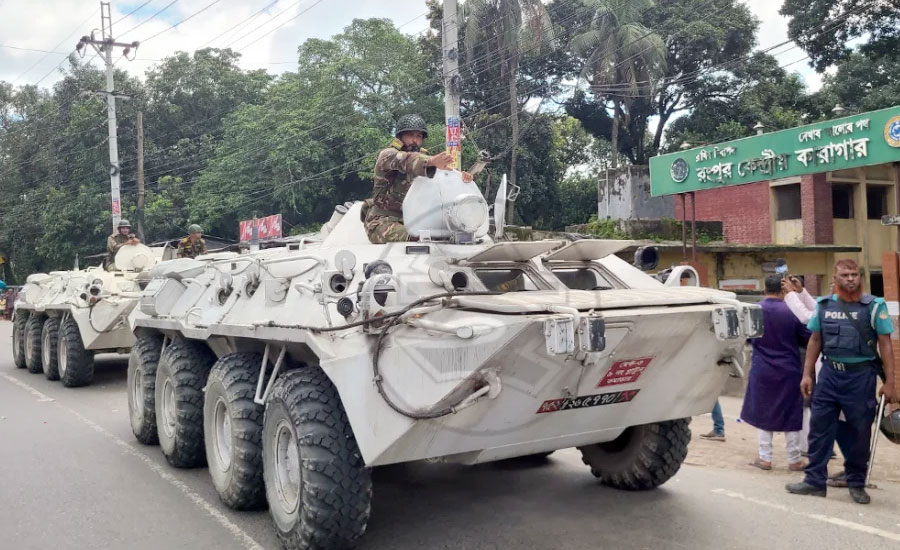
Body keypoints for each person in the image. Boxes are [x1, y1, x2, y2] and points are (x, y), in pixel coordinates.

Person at [786, 259, 899, 504]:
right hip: (829, 375)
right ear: (835, 279)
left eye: (854, 274)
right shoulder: (824, 305)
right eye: (845, 275)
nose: (850, 279)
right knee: (819, 429)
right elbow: (815, 340)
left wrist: (891, 382)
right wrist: (807, 374)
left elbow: (886, 345)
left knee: (860, 432)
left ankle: (856, 483)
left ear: (860, 277)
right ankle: (814, 481)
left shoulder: (874, 306)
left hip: (860, 377)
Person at [362, 114, 470, 244]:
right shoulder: (388, 155)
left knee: (450, 234)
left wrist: (460, 178)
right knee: (419, 237)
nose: (415, 140)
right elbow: (407, 160)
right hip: (383, 221)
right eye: (410, 135)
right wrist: (431, 161)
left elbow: (442, 181)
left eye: (419, 136)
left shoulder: (426, 159)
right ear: (400, 137)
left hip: (415, 221)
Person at [741, 275, 811, 471]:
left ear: (764, 290)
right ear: (783, 291)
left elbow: (747, 337)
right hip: (789, 370)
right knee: (791, 413)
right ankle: (794, 459)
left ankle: (765, 458)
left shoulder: (754, 310)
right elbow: (807, 337)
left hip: (762, 369)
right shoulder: (792, 310)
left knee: (763, 412)